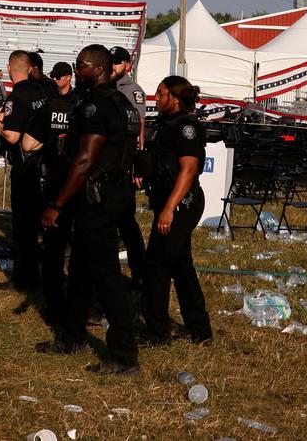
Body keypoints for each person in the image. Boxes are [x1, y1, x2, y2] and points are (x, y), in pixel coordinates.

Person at [36, 45, 141, 375]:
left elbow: (85, 160)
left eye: (80, 66)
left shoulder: (98, 105)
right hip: (112, 193)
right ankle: (71, 336)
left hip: (98, 197)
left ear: (97, 69)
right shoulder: (121, 103)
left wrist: (57, 203)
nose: (76, 70)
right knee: (80, 270)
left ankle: (124, 356)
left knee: (107, 277)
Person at [140, 76, 213, 346]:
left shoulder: (186, 127)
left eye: (160, 94)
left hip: (183, 202)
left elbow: (189, 169)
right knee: (181, 265)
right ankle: (200, 330)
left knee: (156, 265)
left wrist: (169, 209)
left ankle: (157, 333)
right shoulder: (165, 124)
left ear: (174, 98)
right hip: (167, 200)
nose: (155, 98)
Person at [0, 49, 52, 291]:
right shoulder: (43, 90)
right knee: (41, 223)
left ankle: (24, 278)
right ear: (30, 68)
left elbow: (12, 135)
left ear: (9, 68)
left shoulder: (16, 97)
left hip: (26, 167)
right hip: (46, 163)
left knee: (23, 225)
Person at [31, 61, 83, 324]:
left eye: (57, 76)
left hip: (58, 182)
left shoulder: (54, 105)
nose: (54, 79)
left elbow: (29, 143)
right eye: (52, 75)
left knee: (54, 246)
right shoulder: (82, 105)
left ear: (68, 77)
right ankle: (73, 305)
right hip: (78, 182)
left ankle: (56, 306)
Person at [111, 45, 147, 289]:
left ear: (126, 64)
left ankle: (139, 271)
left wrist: (138, 163)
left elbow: (140, 127)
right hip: (110, 161)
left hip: (125, 162)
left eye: (117, 62)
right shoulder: (107, 87)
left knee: (126, 220)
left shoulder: (132, 91)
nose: (113, 66)